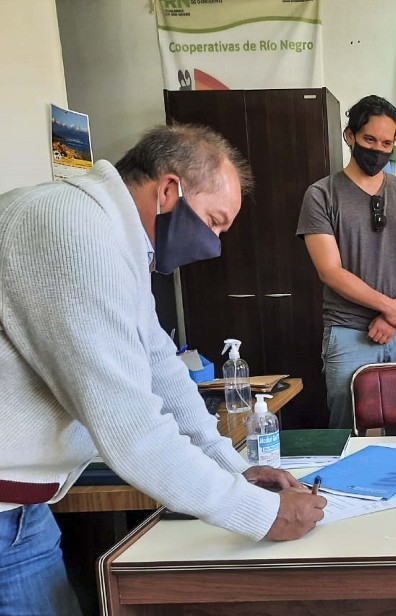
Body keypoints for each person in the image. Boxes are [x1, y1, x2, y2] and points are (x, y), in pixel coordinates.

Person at [0, 124, 327, 614]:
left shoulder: (116, 241)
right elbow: (131, 428)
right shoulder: (70, 228)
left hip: (23, 511)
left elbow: (161, 369)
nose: (215, 244)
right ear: (170, 190)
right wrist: (261, 515)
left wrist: (237, 470)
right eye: (214, 222)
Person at [297, 95, 396, 433]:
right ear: (350, 136)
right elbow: (330, 271)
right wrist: (391, 308)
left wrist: (395, 314)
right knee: (347, 430)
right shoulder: (321, 195)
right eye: (370, 139)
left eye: (387, 143)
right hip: (348, 330)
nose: (378, 150)